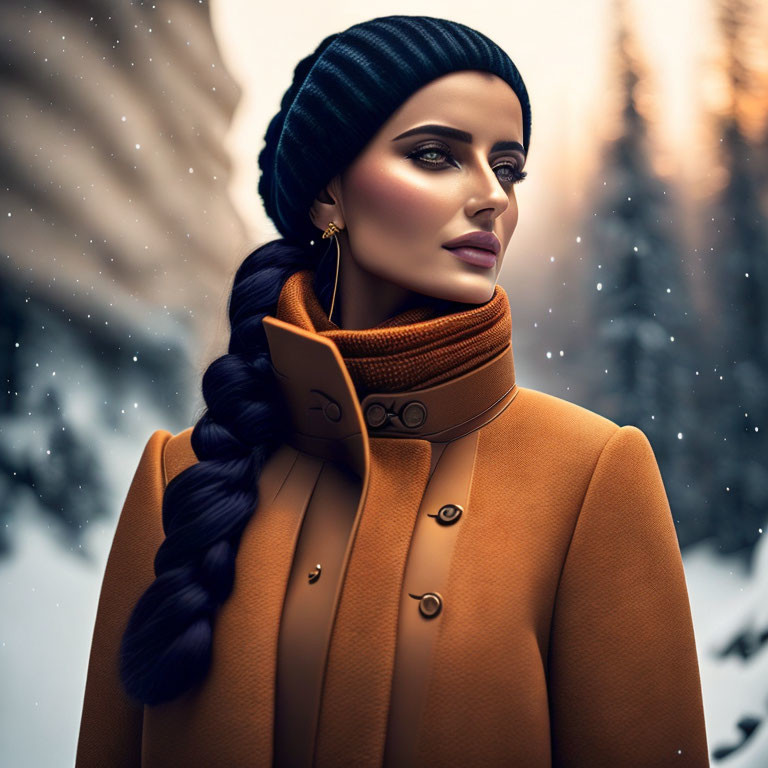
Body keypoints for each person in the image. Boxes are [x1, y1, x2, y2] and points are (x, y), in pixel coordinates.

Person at [75, 14, 709, 768]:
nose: (492, 198)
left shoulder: (592, 476)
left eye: (507, 167)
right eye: (436, 155)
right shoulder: (177, 481)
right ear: (327, 197)